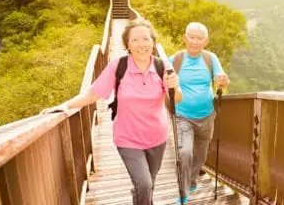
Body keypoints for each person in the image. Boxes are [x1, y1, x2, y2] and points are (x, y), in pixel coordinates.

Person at [41, 19, 182, 205]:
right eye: (135, 40)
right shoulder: (118, 66)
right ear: (127, 44)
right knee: (145, 184)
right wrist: (66, 106)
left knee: (149, 184)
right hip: (128, 139)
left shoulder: (162, 67)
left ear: (153, 41)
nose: (142, 44)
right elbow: (92, 94)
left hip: (157, 137)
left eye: (146, 39)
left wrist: (176, 87)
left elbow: (175, 99)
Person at [169, 22, 229, 204]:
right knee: (185, 152)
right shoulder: (175, 60)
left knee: (201, 154)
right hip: (182, 116)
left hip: (207, 115)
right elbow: (160, 81)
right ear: (185, 38)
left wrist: (224, 81)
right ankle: (184, 191)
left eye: (199, 38)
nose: (195, 41)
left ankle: (193, 178)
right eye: (192, 37)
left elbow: (222, 79)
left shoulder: (210, 59)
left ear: (206, 41)